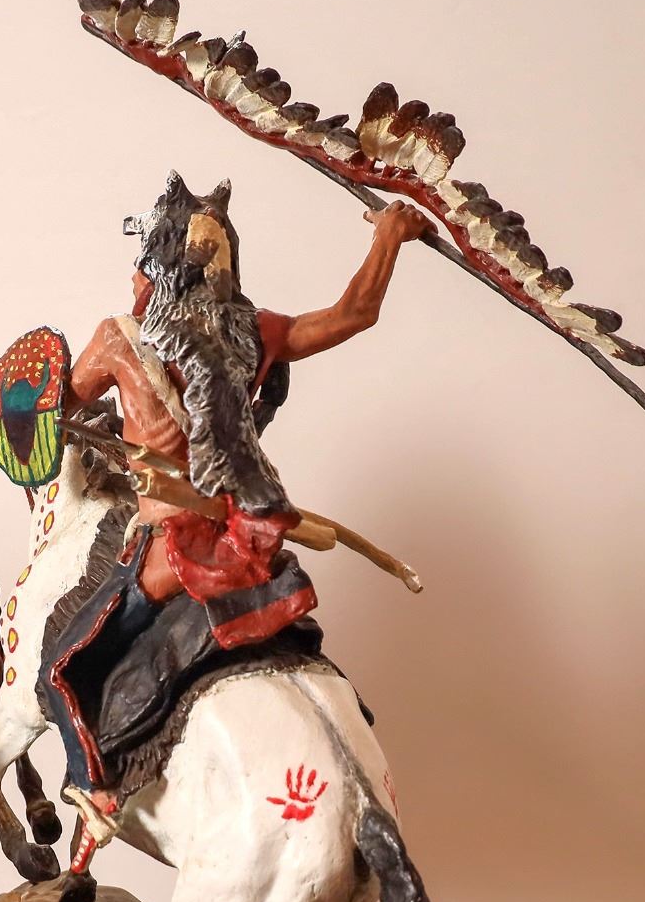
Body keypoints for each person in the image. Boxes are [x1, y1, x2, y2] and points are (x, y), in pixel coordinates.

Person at [47, 174, 432, 849]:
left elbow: (56, 408)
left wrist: (34, 402)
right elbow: (355, 313)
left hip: (170, 548)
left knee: (61, 665)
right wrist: (390, 236)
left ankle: (95, 790)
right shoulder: (256, 331)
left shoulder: (118, 340)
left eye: (141, 266)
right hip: (251, 546)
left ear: (156, 268)